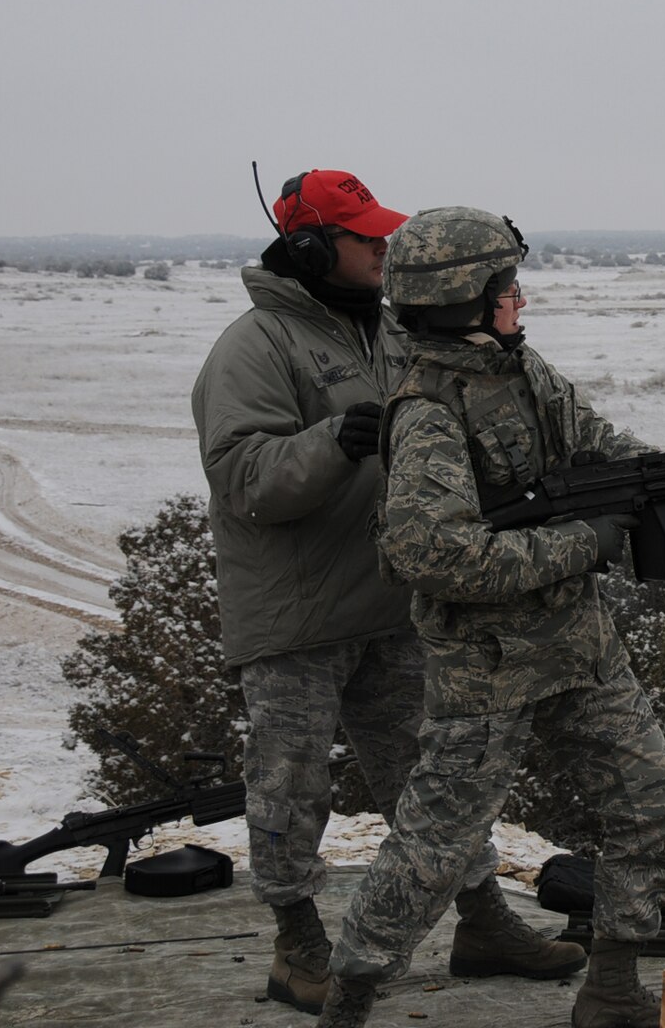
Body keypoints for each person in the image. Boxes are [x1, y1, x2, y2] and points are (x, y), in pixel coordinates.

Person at [194, 173, 582, 1014]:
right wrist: (335, 440)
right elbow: (240, 479)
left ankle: (481, 921)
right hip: (295, 617)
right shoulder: (254, 346)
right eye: (365, 238)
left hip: (394, 603)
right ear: (308, 245)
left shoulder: (399, 336)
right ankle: (298, 945)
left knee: (439, 775)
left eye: (386, 238)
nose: (384, 251)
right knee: (291, 785)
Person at [319, 207, 665, 1028]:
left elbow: (593, 438)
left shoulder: (518, 369)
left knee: (651, 801)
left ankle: (613, 987)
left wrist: (663, 478)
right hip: (487, 668)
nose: (520, 299)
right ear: (465, 300)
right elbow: (435, 558)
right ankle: (347, 999)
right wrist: (581, 544)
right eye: (506, 286)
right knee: (434, 851)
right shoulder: (426, 413)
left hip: (579, 647)